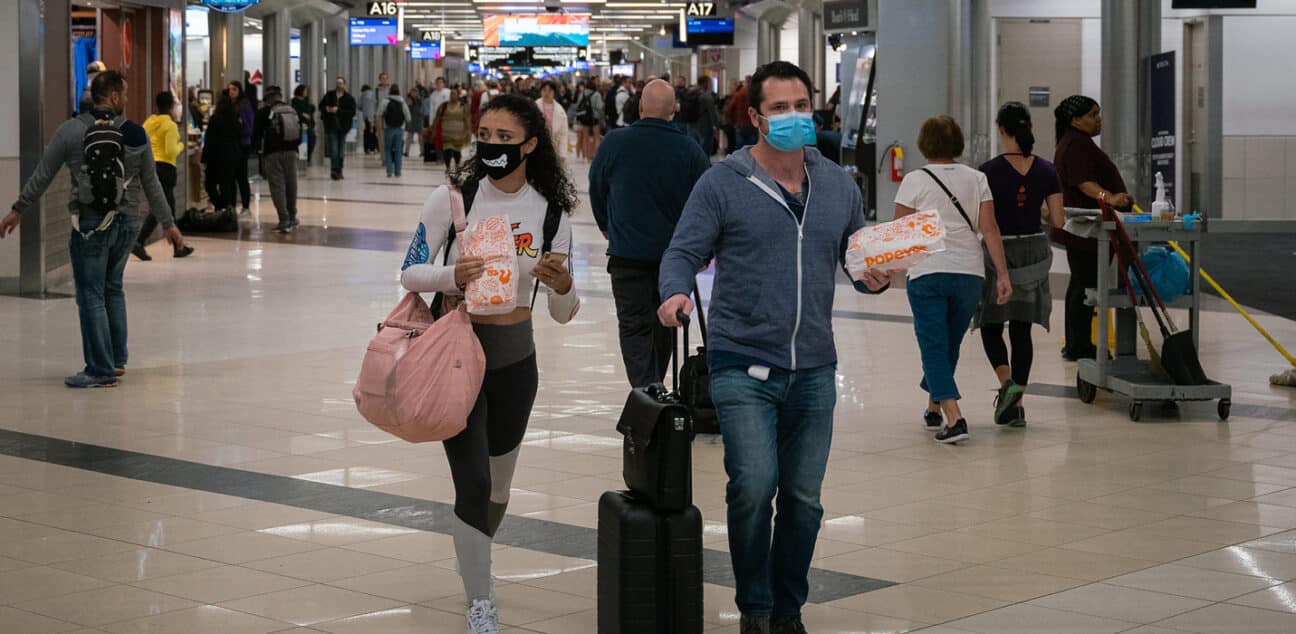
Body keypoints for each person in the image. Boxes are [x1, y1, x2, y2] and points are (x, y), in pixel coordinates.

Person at [657, 61, 890, 634]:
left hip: (814, 365)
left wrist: (875, 277)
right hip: (741, 362)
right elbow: (683, 251)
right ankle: (755, 608)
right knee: (754, 487)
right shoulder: (723, 182)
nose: (793, 117)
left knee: (805, 500)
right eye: (780, 108)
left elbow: (857, 262)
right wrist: (675, 293)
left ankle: (788, 610)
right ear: (756, 117)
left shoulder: (838, 184)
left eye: (801, 105)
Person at [399, 93, 581, 633]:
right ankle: (481, 599)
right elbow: (410, 271)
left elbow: (564, 312)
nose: (493, 146)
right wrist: (451, 276)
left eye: (506, 138)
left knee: (498, 489)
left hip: (516, 363)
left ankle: (473, 550)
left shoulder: (552, 213)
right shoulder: (452, 200)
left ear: (530, 145)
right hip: (457, 358)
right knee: (474, 484)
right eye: (486, 135)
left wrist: (564, 285)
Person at [1, 70, 187, 388]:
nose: (127, 100)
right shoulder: (136, 134)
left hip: (91, 224)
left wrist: (19, 209)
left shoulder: (71, 131)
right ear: (112, 97)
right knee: (112, 289)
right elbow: (151, 183)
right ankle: (115, 361)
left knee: (90, 294)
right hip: (127, 224)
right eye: (124, 94)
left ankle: (99, 369)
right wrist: (168, 224)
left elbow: (43, 173)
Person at [893, 115, 1012, 444]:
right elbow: (989, 229)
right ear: (957, 143)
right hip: (969, 275)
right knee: (947, 344)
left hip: (928, 272)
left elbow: (901, 233)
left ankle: (954, 415)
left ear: (923, 143)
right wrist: (1002, 274)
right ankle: (933, 407)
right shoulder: (977, 179)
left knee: (933, 345)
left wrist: (891, 270)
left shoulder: (915, 180)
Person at [591, 79, 710, 388]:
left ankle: (646, 393)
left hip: (626, 255)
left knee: (633, 327)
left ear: (640, 106)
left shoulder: (615, 143)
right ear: (675, 110)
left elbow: (597, 189)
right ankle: (653, 390)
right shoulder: (691, 149)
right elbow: (707, 205)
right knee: (665, 324)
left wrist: (607, 225)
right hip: (674, 260)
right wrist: (702, 251)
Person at [973, 103, 1066, 428]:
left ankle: (1006, 383)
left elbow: (983, 222)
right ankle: (1017, 407)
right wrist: (1035, 210)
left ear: (1001, 130)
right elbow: (1057, 219)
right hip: (1034, 251)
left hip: (1000, 250)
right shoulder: (1047, 169)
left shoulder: (987, 170)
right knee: (1022, 329)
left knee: (991, 324)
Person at [1052, 95, 1131, 361]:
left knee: (1080, 284)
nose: (1098, 119)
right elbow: (1083, 182)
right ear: (1076, 120)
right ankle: (1081, 346)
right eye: (1093, 114)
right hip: (1087, 228)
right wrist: (1110, 198)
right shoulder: (1076, 145)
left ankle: (1077, 343)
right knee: (1085, 286)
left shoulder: (1076, 142)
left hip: (1085, 228)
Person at [134, 91, 195, 260]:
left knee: (169, 205)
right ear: (170, 107)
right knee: (160, 207)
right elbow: (170, 151)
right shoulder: (170, 125)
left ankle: (178, 246)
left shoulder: (149, 122)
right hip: (165, 168)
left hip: (149, 166)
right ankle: (139, 240)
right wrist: (182, 145)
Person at [253, 86, 302, 233]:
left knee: (277, 186)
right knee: (291, 184)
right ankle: (293, 217)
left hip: (272, 153)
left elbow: (256, 133)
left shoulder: (264, 112)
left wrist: (258, 150)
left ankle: (284, 219)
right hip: (291, 151)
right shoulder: (291, 110)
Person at [201, 95, 243, 213]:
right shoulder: (235, 119)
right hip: (232, 156)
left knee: (210, 184)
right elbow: (240, 136)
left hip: (216, 157)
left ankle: (220, 205)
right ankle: (230, 207)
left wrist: (204, 158)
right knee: (229, 183)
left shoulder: (215, 119)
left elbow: (209, 140)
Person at [319, 76, 357, 180]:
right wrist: (327, 109)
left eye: (341, 83)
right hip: (331, 126)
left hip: (343, 127)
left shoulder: (349, 98)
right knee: (334, 149)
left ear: (344, 85)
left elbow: (352, 112)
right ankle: (334, 171)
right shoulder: (329, 95)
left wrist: (338, 110)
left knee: (340, 151)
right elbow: (321, 106)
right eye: (337, 83)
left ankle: (339, 169)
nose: (339, 85)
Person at [227, 81, 255, 216]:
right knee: (232, 176)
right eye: (229, 89)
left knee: (241, 176)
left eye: (234, 89)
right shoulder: (230, 105)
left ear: (239, 90)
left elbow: (249, 127)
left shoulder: (244, 105)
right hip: (233, 144)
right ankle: (232, 206)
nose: (231, 92)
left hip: (243, 144)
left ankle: (245, 206)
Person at [434, 87, 472, 175]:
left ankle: (457, 165)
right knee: (447, 151)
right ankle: (448, 167)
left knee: (456, 152)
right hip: (446, 133)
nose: (452, 96)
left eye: (454, 94)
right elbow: (437, 118)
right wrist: (433, 129)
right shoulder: (444, 106)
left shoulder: (462, 106)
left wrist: (468, 131)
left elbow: (467, 119)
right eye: (451, 94)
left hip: (459, 134)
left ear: (458, 95)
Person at [381, 84, 411, 178]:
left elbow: (378, 113)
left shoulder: (385, 101)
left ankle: (389, 171)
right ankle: (398, 172)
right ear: (399, 91)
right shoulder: (402, 102)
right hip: (399, 128)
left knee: (388, 149)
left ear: (390, 91)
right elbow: (408, 117)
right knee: (398, 150)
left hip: (388, 128)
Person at [685, 76, 721, 156]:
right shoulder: (706, 96)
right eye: (710, 82)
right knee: (705, 150)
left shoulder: (690, 93)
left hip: (691, 124)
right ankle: (704, 166)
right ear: (706, 83)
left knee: (693, 148)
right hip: (704, 126)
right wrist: (716, 125)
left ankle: (694, 166)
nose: (711, 84)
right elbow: (712, 112)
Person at [535, 80, 568, 157]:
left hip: (554, 149)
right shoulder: (534, 107)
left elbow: (564, 133)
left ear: (554, 92)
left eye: (550, 90)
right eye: (544, 90)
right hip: (537, 148)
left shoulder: (560, 110)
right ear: (540, 92)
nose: (547, 93)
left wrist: (562, 154)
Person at [726, 78, 756, 151]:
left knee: (739, 146)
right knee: (752, 146)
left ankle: (740, 161)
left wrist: (731, 121)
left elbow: (730, 108)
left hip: (740, 123)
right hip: (752, 123)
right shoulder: (755, 95)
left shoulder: (738, 94)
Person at [292, 85, 318, 163]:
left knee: (312, 139)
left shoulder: (307, 101)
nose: (306, 92)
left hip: (309, 124)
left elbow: (312, 109)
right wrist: (302, 114)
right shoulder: (294, 101)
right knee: (301, 141)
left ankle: (308, 156)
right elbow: (295, 111)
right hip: (299, 124)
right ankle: (302, 156)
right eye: (305, 90)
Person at [375, 72, 392, 158]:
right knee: (381, 137)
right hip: (379, 116)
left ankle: (389, 156)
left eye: (385, 78)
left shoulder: (391, 90)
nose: (384, 80)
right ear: (380, 79)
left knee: (389, 136)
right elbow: (374, 103)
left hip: (390, 116)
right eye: (382, 78)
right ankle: (383, 157)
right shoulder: (377, 90)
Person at [404, 87, 422, 158]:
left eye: (415, 92)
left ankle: (422, 152)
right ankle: (406, 151)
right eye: (413, 92)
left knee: (421, 138)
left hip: (418, 120)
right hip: (411, 120)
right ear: (411, 93)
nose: (414, 94)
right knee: (409, 137)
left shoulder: (419, 100)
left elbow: (421, 109)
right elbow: (407, 109)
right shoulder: (408, 100)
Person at [359, 83, 376, 155]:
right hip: (373, 116)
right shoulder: (373, 94)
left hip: (366, 117)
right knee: (373, 132)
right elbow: (376, 103)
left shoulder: (362, 95)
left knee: (367, 132)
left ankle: (366, 148)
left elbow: (359, 105)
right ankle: (373, 148)